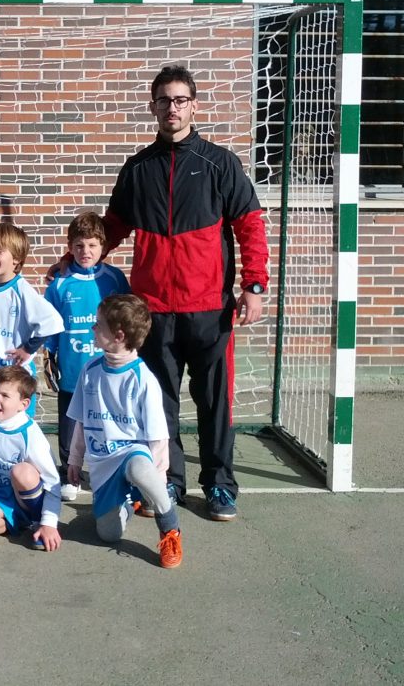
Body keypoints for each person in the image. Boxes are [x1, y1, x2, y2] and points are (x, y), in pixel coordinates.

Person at [80, 64, 269, 522]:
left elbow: (250, 226)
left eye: (181, 99)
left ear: (194, 105)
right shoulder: (137, 168)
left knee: (213, 402)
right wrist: (77, 255)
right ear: (153, 107)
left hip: (209, 309)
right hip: (152, 312)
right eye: (164, 99)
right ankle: (169, 481)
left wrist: (254, 286)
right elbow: (113, 228)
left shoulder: (220, 164)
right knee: (157, 403)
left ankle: (220, 485)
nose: (172, 107)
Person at [66, 294, 182, 569]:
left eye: (98, 325)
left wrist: (156, 481)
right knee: (108, 535)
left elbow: (158, 436)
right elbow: (81, 421)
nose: (93, 329)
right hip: (102, 461)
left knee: (142, 471)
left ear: (118, 336)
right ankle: (130, 503)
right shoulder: (90, 370)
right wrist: (74, 459)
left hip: (132, 451)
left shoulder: (143, 379)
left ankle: (170, 528)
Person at [43, 211, 130, 501]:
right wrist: (50, 355)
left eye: (92, 245)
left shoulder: (115, 278)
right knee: (71, 421)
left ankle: (110, 470)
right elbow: (52, 323)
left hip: (106, 368)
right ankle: (71, 472)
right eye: (79, 245)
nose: (86, 252)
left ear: (104, 247)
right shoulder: (59, 283)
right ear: (70, 246)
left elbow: (128, 318)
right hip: (72, 367)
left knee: (107, 418)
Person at [0, 222, 63, 411]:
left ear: (16, 259)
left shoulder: (22, 290)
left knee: (16, 422)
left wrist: (28, 349)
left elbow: (52, 321)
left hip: (14, 370)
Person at [0, 365, 62, 551]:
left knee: (22, 472)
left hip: (25, 491)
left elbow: (53, 482)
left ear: (24, 404)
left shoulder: (31, 435)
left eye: (5, 396)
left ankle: (37, 521)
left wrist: (49, 523)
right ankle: (18, 521)